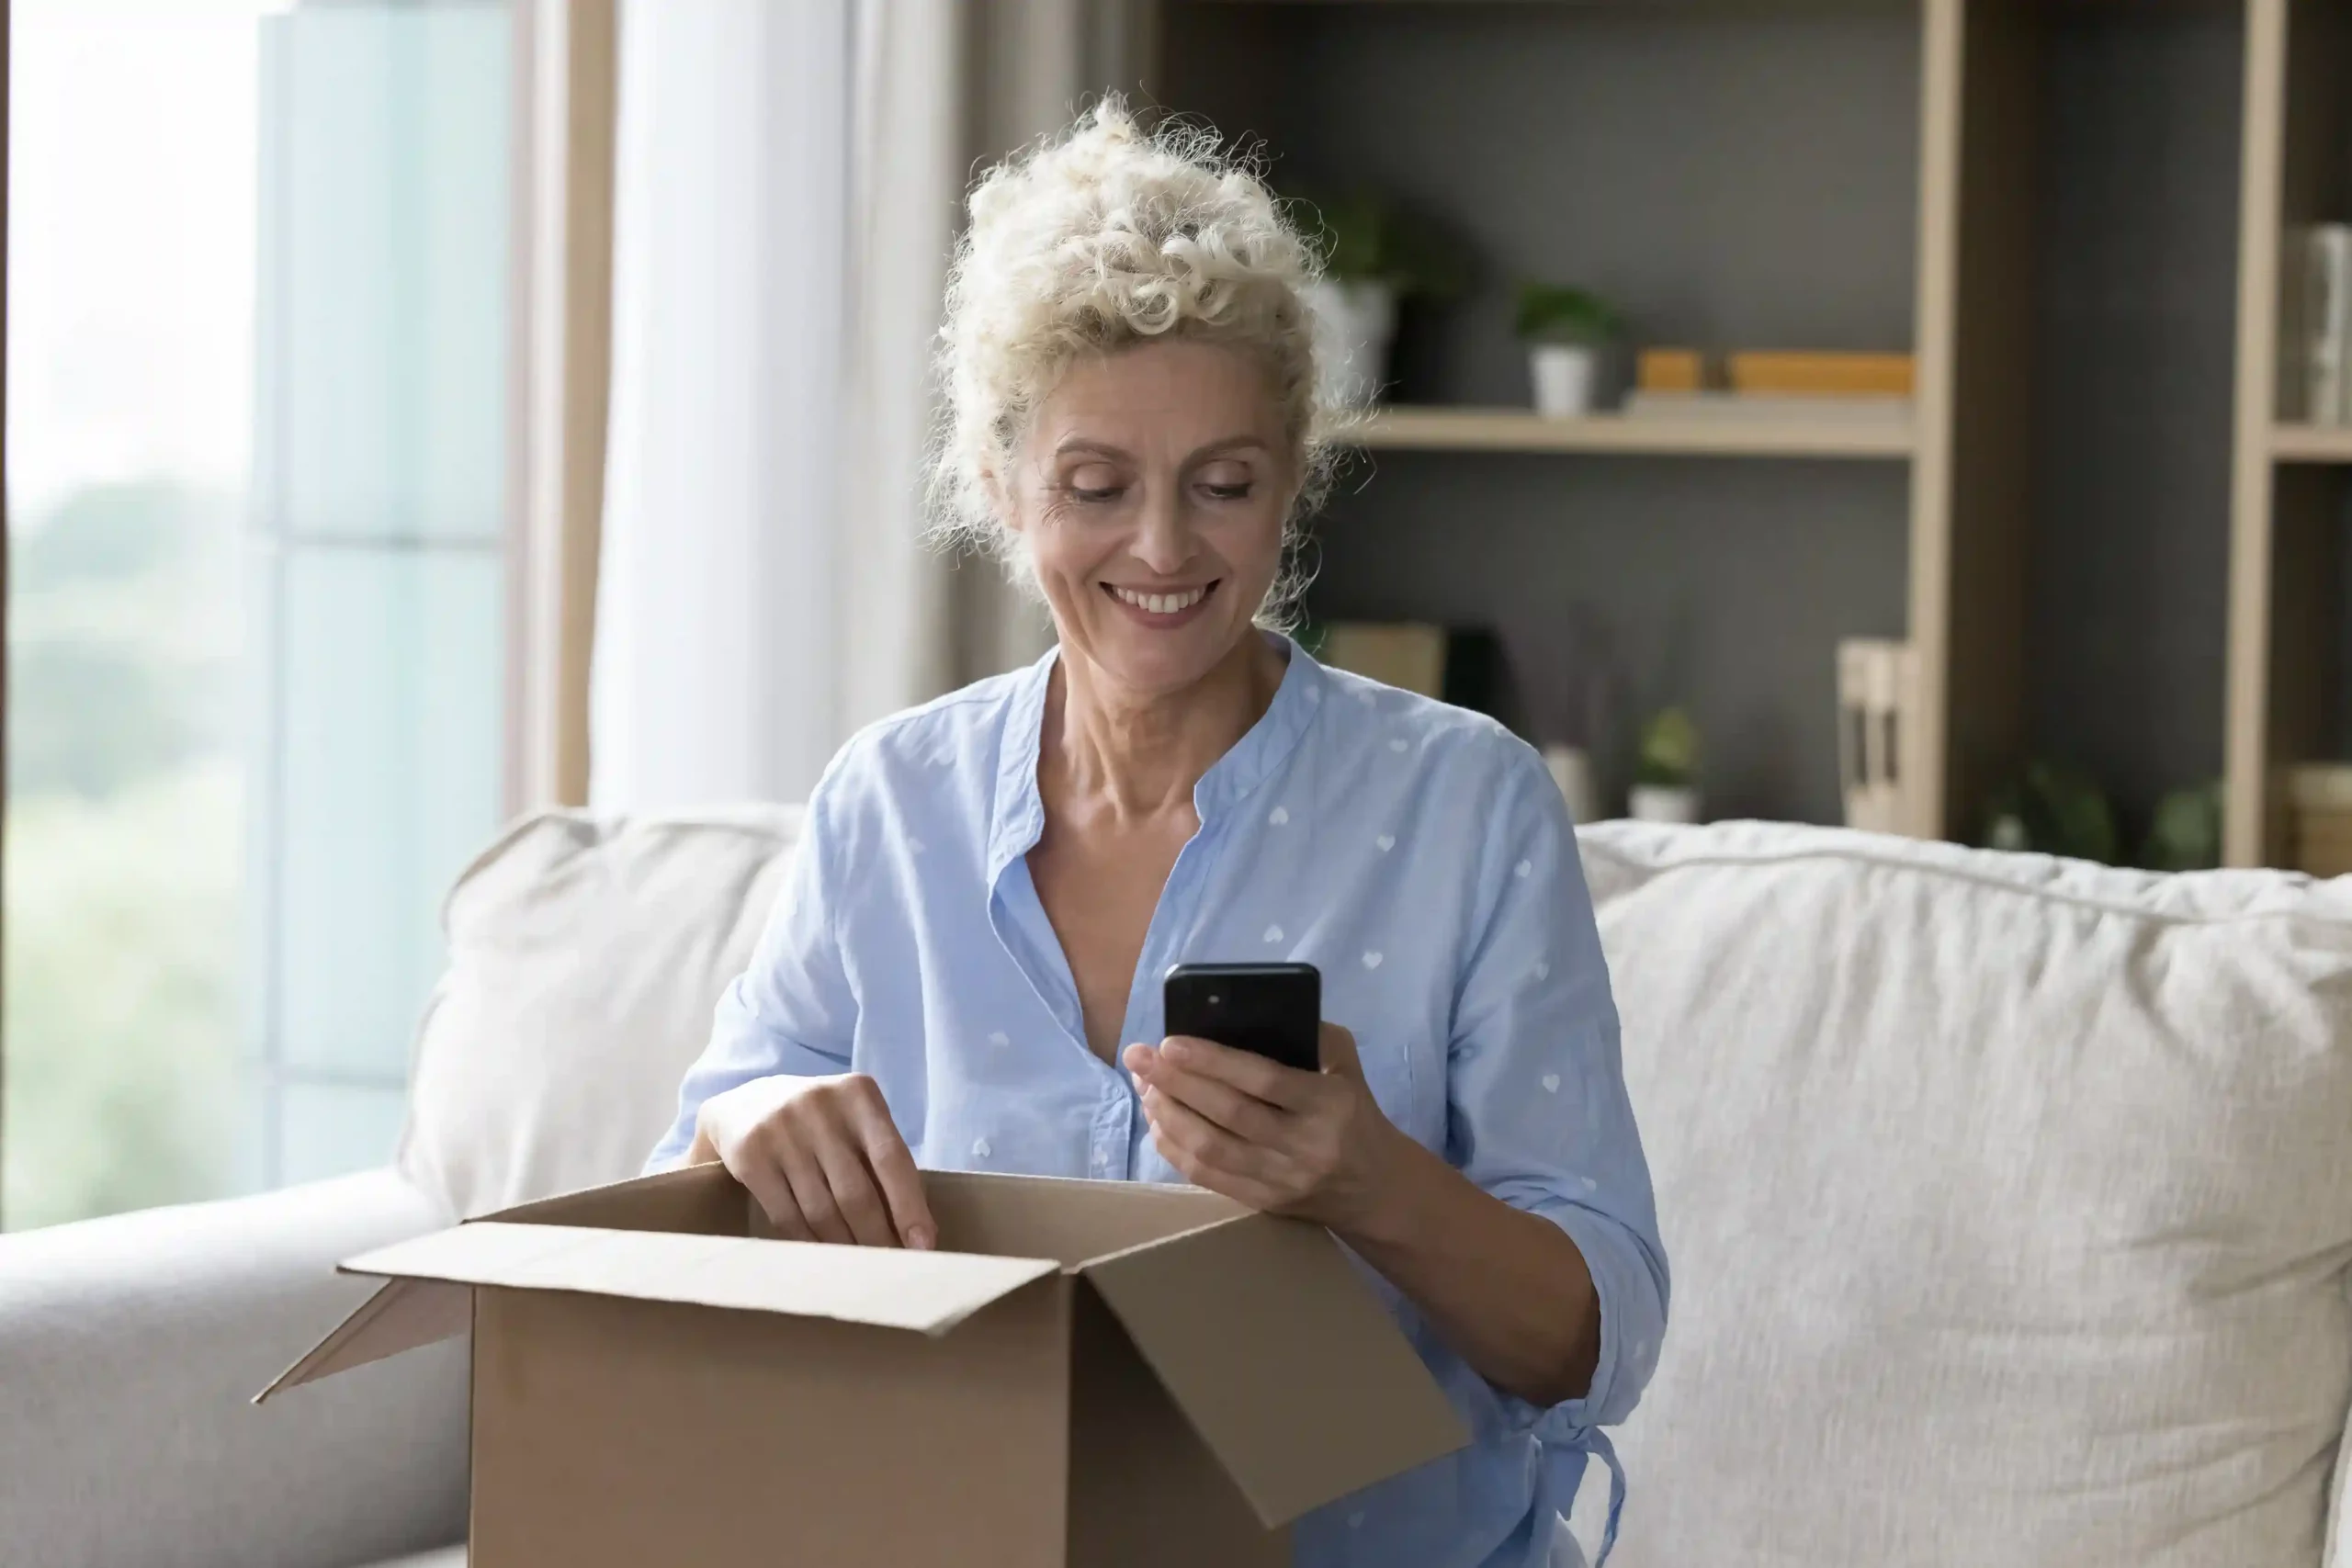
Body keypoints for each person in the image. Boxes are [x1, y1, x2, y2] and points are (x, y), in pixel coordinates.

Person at [648, 100, 1668, 1568]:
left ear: (1291, 480)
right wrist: (743, 1124)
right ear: (1000, 486)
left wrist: (1373, 1182)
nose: (1165, 547)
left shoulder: (1468, 806)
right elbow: (696, 1178)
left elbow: (1598, 1335)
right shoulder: (891, 802)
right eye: (1096, 486)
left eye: (1223, 484)